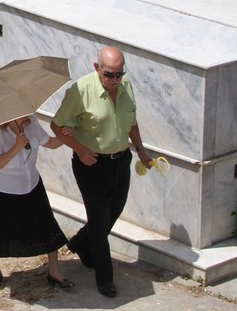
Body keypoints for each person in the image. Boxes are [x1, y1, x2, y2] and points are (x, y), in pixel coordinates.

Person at [51, 46, 153, 298]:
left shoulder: (126, 87)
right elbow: (57, 124)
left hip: (121, 160)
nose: (115, 80)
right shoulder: (80, 90)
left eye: (119, 74)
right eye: (109, 74)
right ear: (97, 68)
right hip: (92, 163)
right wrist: (79, 148)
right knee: (99, 222)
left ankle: (79, 244)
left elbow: (132, 121)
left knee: (113, 213)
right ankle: (104, 278)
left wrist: (140, 150)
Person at [0, 114, 74, 289]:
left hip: (31, 184)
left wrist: (65, 135)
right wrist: (16, 146)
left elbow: (51, 143)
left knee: (47, 226)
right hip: (2, 188)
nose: (26, 113)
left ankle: (54, 270)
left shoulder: (32, 123)